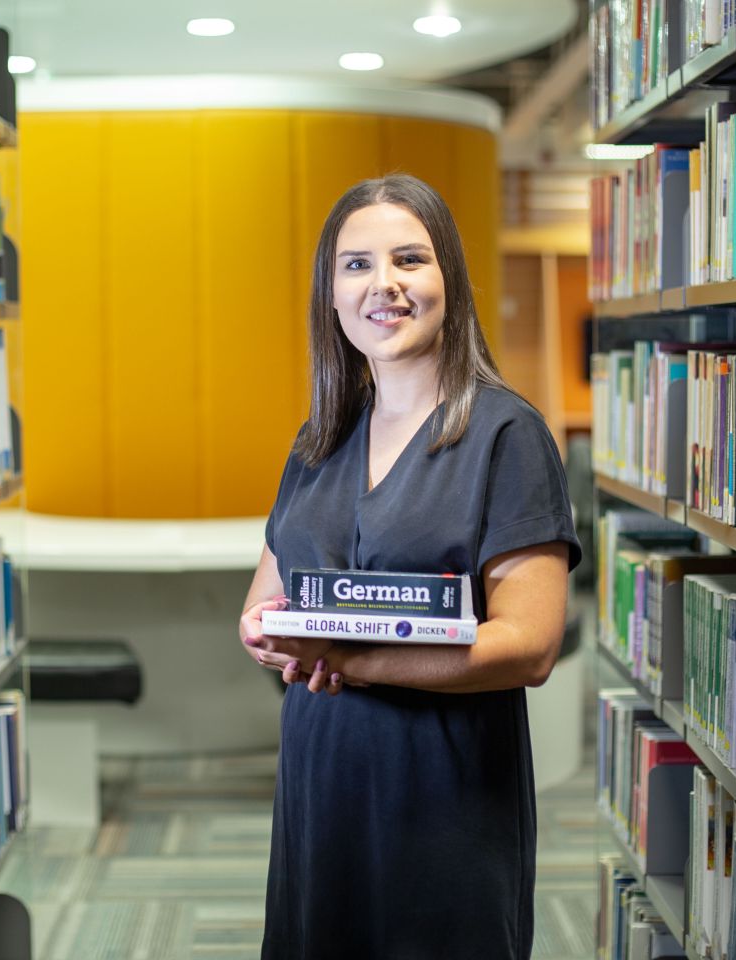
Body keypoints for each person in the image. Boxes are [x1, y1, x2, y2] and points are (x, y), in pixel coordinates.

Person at [238, 174, 583, 959]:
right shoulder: (318, 439)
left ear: (448, 282)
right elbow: (269, 596)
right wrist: (260, 632)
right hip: (320, 783)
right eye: (356, 265)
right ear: (330, 294)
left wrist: (355, 659)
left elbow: (529, 647)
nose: (383, 285)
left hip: (443, 793)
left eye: (409, 260)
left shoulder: (507, 434)